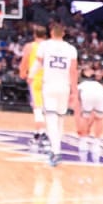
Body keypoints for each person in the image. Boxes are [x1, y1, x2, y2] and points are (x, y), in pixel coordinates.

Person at [36, 25, 79, 167]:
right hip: (64, 87)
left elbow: (38, 63)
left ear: (51, 32)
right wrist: (74, 92)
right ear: (64, 33)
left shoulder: (44, 45)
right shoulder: (71, 49)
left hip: (49, 85)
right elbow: (73, 72)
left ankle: (55, 151)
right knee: (60, 119)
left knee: (51, 119)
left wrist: (30, 75)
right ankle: (56, 149)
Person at [20, 28, 49, 152]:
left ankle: (42, 133)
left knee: (37, 108)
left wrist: (22, 72)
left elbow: (25, 61)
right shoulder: (50, 46)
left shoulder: (30, 46)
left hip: (36, 79)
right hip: (49, 79)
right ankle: (40, 132)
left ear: (34, 34)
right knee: (47, 108)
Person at [76, 67, 103, 162]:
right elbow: (94, 116)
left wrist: (85, 130)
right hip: (102, 93)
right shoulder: (97, 84)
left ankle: (83, 142)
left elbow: (79, 110)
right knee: (99, 118)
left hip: (88, 94)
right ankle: (96, 144)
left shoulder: (80, 86)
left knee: (85, 117)